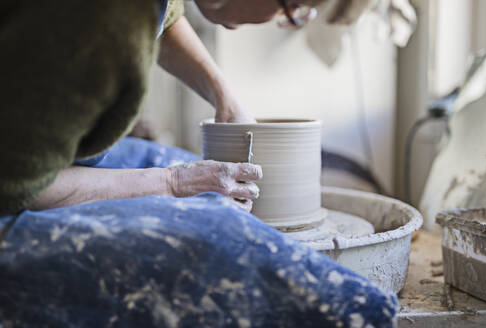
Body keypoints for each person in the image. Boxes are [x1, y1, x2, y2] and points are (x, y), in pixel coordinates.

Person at [0, 1, 398, 326]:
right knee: (229, 246)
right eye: (293, 10)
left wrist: (226, 98)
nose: (283, 22)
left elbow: (165, 14)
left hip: (26, 149)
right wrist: (171, 184)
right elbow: (14, 187)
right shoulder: (104, 20)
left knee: (200, 176)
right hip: (11, 190)